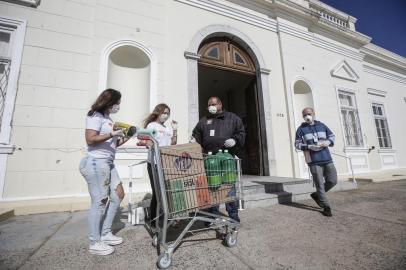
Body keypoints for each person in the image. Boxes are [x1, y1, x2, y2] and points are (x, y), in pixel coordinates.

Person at [79, 88, 131, 255]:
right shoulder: (95, 116)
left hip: (107, 162)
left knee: (118, 195)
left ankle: (105, 233)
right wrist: (111, 133)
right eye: (117, 102)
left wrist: (127, 136)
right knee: (99, 201)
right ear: (110, 101)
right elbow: (90, 139)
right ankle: (95, 242)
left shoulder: (108, 119)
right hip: (96, 162)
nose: (118, 106)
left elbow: (113, 145)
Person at [192, 96, 245, 223]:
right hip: (210, 160)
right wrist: (193, 141)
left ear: (220, 104)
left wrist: (235, 140)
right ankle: (212, 216)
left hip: (226, 159)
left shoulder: (232, 118)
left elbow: (241, 132)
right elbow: (196, 135)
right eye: (209, 104)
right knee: (212, 187)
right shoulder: (204, 121)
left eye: (214, 104)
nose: (212, 106)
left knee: (229, 188)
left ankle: (233, 215)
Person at [294, 107, 337, 217]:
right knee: (319, 184)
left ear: (313, 113)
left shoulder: (322, 125)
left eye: (308, 114)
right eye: (304, 115)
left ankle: (317, 195)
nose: (307, 116)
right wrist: (309, 146)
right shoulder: (301, 129)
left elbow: (332, 135)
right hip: (313, 160)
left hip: (326, 158)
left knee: (332, 180)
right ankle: (326, 206)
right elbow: (297, 144)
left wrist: (328, 142)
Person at [143, 103, 178, 228]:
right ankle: (153, 221)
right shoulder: (152, 125)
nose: (166, 115)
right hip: (154, 163)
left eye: (168, 113)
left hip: (165, 164)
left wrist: (175, 129)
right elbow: (147, 140)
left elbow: (173, 144)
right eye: (164, 112)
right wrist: (149, 143)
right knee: (157, 192)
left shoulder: (167, 128)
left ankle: (166, 217)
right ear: (158, 112)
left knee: (166, 191)